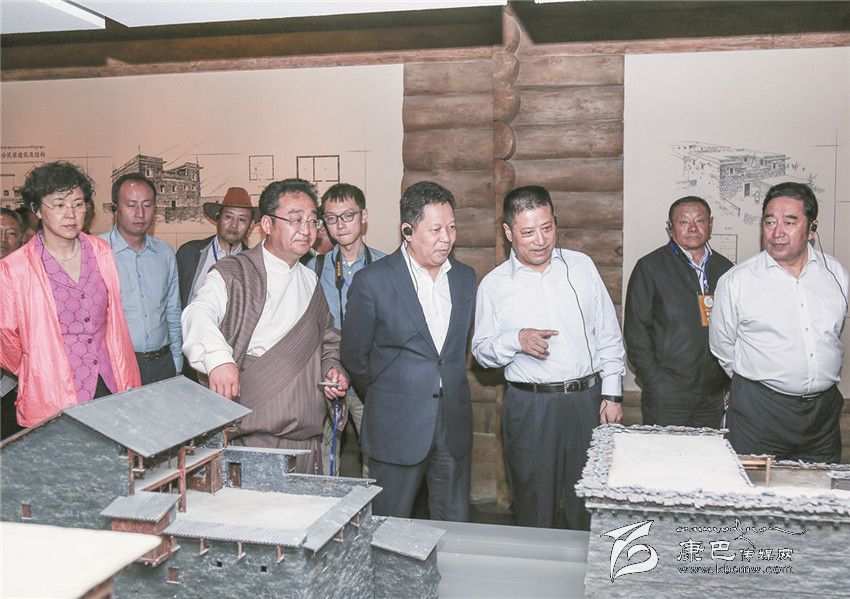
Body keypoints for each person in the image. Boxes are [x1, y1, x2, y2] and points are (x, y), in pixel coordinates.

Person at [471, 185, 624, 530]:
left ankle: (587, 564)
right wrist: (515, 340)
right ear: (508, 232)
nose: (540, 241)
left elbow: (608, 333)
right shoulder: (494, 285)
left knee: (589, 503)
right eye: (528, 232)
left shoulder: (581, 266)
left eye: (547, 227)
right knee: (534, 504)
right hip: (531, 407)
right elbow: (481, 352)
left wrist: (612, 393)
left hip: (586, 401)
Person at [182, 178, 348, 474]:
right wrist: (218, 359)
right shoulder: (234, 272)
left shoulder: (310, 280)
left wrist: (331, 368)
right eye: (295, 219)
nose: (306, 229)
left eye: (312, 221)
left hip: (306, 438)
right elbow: (199, 312)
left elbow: (327, 338)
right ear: (267, 225)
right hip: (252, 437)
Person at [341, 181, 477, 520]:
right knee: (390, 525)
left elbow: (454, 353)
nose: (446, 238)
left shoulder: (465, 278)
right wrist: (389, 395)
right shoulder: (373, 281)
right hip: (395, 425)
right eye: (435, 229)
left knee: (454, 525)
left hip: (452, 426)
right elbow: (354, 357)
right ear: (407, 231)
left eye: (451, 227)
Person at [710, 182, 849, 463]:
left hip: (822, 416)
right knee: (754, 487)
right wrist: (762, 384)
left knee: (820, 488)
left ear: (812, 229)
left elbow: (833, 333)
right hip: (760, 414)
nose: (777, 232)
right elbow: (723, 348)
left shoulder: (835, 273)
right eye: (769, 222)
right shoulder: (737, 281)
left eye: (789, 222)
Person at [0, 162, 140, 430]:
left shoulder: (101, 251)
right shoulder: (14, 269)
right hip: (52, 391)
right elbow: (6, 341)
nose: (71, 214)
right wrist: (38, 364)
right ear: (37, 210)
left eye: (78, 204)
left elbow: (113, 319)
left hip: (108, 382)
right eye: (59, 205)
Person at [624, 196, 733, 428]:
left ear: (711, 224)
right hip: (667, 394)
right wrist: (655, 381)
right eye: (684, 222)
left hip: (712, 394)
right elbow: (636, 332)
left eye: (700, 221)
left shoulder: (727, 270)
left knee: (708, 451)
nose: (693, 228)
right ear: (670, 227)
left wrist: (728, 381)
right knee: (665, 451)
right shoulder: (650, 267)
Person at [306, 183, 386, 476]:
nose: (340, 225)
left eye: (348, 216)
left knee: (376, 464)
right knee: (323, 465)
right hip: (327, 382)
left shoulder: (386, 266)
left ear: (363, 216)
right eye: (331, 218)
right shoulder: (313, 268)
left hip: (370, 383)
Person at [100, 174, 182, 385]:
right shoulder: (97, 252)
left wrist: (177, 362)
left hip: (162, 364)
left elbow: (172, 310)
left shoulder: (165, 253)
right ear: (115, 208)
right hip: (115, 366)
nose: (140, 214)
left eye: (147, 205)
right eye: (131, 205)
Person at [176, 186, 259, 309]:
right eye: (228, 217)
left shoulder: (254, 264)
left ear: (251, 224)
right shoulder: (188, 253)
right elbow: (173, 301)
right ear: (218, 217)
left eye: (242, 219)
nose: (234, 224)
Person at [1, 207, 26, 439]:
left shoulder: (30, 280)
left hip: (13, 388)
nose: (2, 240)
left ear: (21, 240)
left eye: (10, 233)